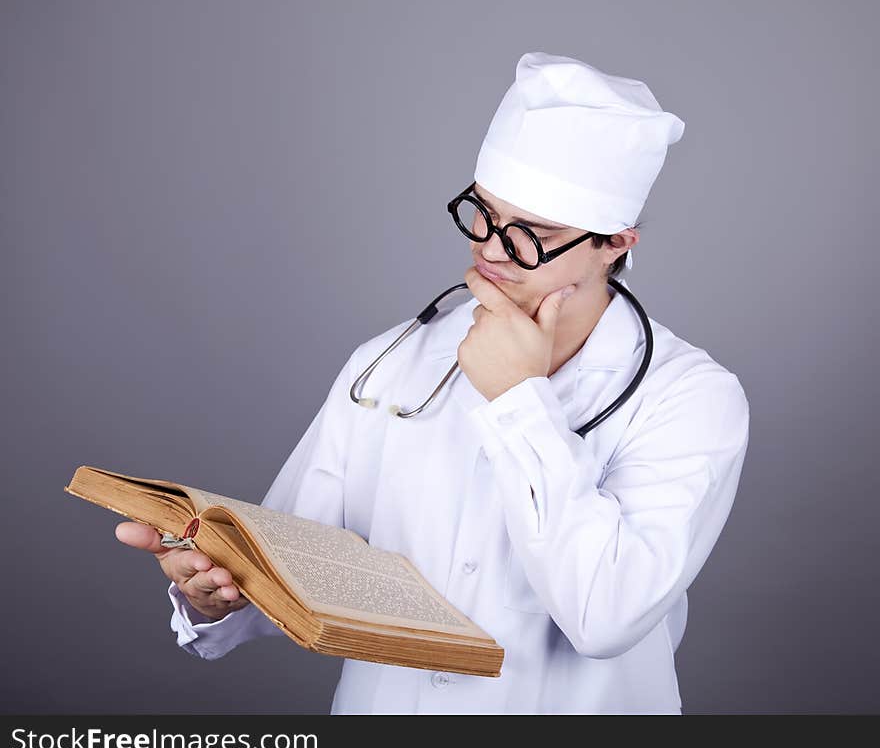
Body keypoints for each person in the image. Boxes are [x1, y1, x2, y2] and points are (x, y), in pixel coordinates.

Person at [116, 51, 750, 714]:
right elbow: (294, 566)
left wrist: (518, 400)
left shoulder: (693, 398)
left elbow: (606, 617)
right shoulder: (391, 363)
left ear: (616, 244)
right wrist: (214, 591)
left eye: (534, 235)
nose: (492, 248)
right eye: (484, 212)